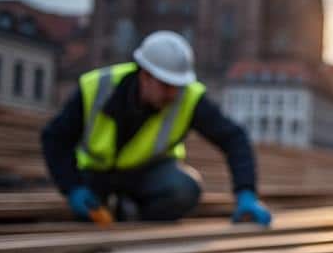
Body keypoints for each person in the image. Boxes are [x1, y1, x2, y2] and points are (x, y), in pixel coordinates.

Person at [40, 31, 271, 226]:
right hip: (96, 173)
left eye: (178, 86)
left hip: (148, 173)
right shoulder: (97, 87)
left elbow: (233, 138)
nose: (173, 93)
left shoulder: (188, 98)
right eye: (166, 85)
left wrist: (246, 193)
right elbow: (55, 138)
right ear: (145, 75)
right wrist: (72, 187)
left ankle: (134, 219)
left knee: (184, 189)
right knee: (88, 216)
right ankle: (105, 204)